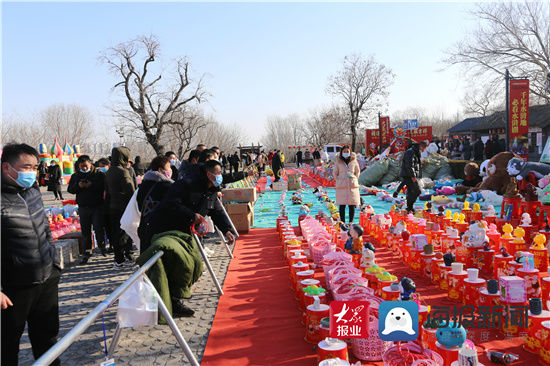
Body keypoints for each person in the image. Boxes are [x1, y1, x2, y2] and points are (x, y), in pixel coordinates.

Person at [146, 160, 236, 316]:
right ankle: (171, 304)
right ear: (209, 174)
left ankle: (174, 300)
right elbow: (170, 204)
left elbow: (216, 210)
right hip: (166, 229)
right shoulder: (187, 184)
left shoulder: (212, 189)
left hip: (185, 232)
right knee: (178, 265)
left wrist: (227, 229)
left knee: (193, 265)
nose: (221, 176)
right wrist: (191, 215)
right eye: (219, 173)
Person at [1, 143, 61, 366]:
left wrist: (54, 265)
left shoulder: (33, 192)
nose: (32, 172)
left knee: (48, 340)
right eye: (26, 167)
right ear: (7, 167)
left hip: (46, 279)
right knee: (6, 346)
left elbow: (45, 229)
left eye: (35, 167)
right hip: (12, 288)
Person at [67, 155, 107, 263]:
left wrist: (92, 185)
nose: (84, 168)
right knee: (85, 231)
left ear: (90, 164)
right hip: (83, 207)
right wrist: (78, 185)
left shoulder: (98, 174)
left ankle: (102, 247)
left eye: (86, 166)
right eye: (81, 166)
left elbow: (104, 186)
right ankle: (87, 252)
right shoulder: (76, 176)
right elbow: (70, 189)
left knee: (98, 228)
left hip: (97, 206)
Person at [105, 147, 136, 268]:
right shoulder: (122, 172)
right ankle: (120, 259)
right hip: (124, 206)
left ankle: (121, 257)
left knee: (117, 232)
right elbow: (130, 191)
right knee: (123, 234)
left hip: (113, 205)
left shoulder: (109, 171)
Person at [137, 155, 174, 253]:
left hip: (145, 225)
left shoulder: (143, 184)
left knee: (147, 257)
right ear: (160, 170)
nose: (170, 170)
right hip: (162, 228)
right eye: (168, 168)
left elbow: (139, 204)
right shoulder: (167, 186)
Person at [394, 142, 426, 213]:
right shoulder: (411, 152)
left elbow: (415, 165)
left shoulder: (415, 152)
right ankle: (409, 207)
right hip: (409, 175)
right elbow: (409, 165)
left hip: (409, 175)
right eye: (424, 148)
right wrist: (413, 175)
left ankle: (409, 208)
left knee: (411, 192)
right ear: (421, 146)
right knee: (417, 191)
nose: (423, 151)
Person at [333, 147, 361, 223]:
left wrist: (354, 178)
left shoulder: (354, 161)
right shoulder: (338, 161)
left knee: (351, 205)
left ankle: (351, 222)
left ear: (350, 152)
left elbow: (357, 171)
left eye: (347, 151)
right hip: (342, 185)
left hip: (352, 185)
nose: (346, 152)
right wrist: (339, 179)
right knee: (342, 205)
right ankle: (342, 222)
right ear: (341, 152)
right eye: (344, 151)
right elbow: (335, 173)